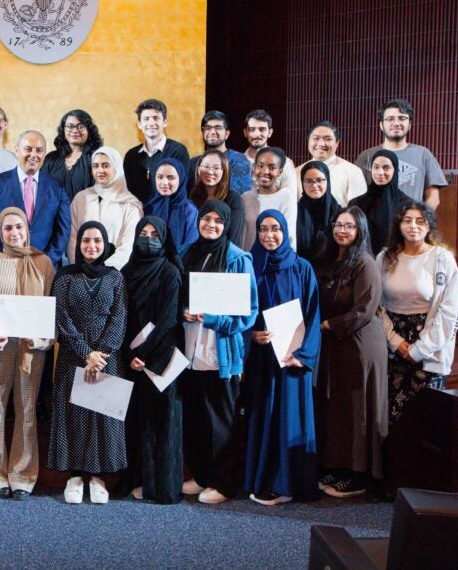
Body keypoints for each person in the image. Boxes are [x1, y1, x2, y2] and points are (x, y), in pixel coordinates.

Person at [0, 207, 56, 499]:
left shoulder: (43, 264)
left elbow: (53, 311)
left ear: (27, 228)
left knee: (28, 409)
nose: (14, 232)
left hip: (32, 351)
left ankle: (23, 476)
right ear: (0, 232)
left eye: (19, 227)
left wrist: (43, 340)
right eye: (8, 228)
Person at [180, 200, 258, 505]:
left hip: (220, 351)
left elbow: (248, 313)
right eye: (205, 219)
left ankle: (223, 482)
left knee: (220, 422)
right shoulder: (188, 252)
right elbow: (178, 294)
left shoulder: (239, 258)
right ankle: (201, 475)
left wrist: (210, 317)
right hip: (189, 349)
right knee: (196, 418)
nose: (210, 225)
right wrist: (182, 312)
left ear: (227, 225)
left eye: (217, 221)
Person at [243, 209, 321, 506]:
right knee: (263, 416)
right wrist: (252, 334)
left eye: (275, 229)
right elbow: (243, 310)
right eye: (263, 229)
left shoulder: (302, 268)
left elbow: (314, 314)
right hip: (262, 359)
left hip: (292, 361)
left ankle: (288, 485)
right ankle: (262, 480)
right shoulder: (253, 265)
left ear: (285, 231)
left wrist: (304, 355)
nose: (269, 235)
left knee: (290, 418)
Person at [48, 222, 127, 505]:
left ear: (105, 244)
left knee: (101, 418)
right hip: (73, 356)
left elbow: (119, 317)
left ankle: (97, 478)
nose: (91, 246)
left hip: (107, 359)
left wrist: (101, 354)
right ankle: (75, 476)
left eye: (97, 241)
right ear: (78, 244)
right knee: (75, 417)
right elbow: (61, 318)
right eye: (86, 241)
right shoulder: (65, 276)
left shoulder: (115, 277)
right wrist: (86, 353)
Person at [316, 207, 388, 499]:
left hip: (360, 345)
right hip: (336, 343)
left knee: (358, 410)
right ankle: (339, 466)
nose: (342, 230)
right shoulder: (332, 259)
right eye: (339, 225)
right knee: (339, 409)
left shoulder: (365, 263)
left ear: (360, 231)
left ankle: (358, 476)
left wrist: (329, 324)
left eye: (350, 226)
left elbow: (365, 309)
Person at [378, 201, 458, 426]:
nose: (413, 226)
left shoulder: (442, 258)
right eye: (407, 221)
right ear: (399, 225)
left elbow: (450, 309)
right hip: (392, 346)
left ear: (429, 227)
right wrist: (395, 342)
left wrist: (420, 349)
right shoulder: (385, 257)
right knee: (392, 420)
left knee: (427, 422)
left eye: (420, 221)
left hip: (430, 346)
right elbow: (376, 305)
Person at [118, 216, 183, 504]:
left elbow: (169, 319)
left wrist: (143, 355)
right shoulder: (125, 272)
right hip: (130, 360)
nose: (147, 238)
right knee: (133, 422)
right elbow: (119, 315)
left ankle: (160, 487)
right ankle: (135, 480)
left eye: (154, 233)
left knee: (160, 423)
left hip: (160, 359)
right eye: (142, 233)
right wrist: (129, 355)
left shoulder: (170, 272)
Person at [0, 130, 71, 269]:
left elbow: (63, 231)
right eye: (28, 149)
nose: (33, 155)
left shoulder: (57, 187)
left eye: (39, 150)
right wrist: (9, 257)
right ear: (17, 150)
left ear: (44, 154)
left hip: (45, 268)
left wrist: (45, 261)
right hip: (4, 266)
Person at [355, 98, 447, 209]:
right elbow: (357, 195)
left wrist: (419, 219)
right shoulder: (366, 156)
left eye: (402, 118)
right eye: (390, 119)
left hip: (410, 223)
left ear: (410, 125)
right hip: (374, 224)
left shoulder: (423, 154)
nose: (396, 123)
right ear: (381, 125)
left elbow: (433, 197)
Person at [67, 147, 143, 269]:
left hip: (115, 273)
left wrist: (104, 272)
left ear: (116, 168)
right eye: (95, 166)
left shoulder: (130, 205)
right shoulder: (81, 199)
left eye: (106, 165)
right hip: (81, 271)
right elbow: (72, 239)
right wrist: (80, 269)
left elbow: (129, 246)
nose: (100, 170)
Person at [123, 98, 191, 204]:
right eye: (146, 119)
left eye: (156, 118)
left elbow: (180, 189)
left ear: (165, 122)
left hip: (168, 212)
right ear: (139, 124)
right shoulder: (131, 156)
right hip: (138, 214)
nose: (151, 123)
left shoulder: (178, 151)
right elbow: (129, 191)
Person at [352, 149, 414, 255]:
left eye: (386, 168)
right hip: (364, 262)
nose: (380, 172)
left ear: (395, 170)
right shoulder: (357, 204)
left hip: (397, 260)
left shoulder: (407, 205)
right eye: (376, 167)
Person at [297, 121, 367, 206]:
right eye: (316, 138)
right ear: (308, 141)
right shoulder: (296, 172)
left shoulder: (352, 172)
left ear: (337, 143)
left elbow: (357, 211)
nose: (321, 143)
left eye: (328, 139)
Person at [240, 147, 297, 250]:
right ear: (254, 168)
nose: (265, 171)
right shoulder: (245, 197)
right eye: (260, 166)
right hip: (249, 260)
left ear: (280, 172)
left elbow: (289, 236)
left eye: (272, 168)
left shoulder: (286, 197)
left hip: (275, 261)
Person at [42, 109, 104, 202]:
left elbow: (103, 195)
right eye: (70, 126)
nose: (75, 130)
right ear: (63, 130)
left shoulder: (97, 158)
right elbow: (41, 192)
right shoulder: (51, 158)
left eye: (81, 126)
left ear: (89, 130)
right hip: (55, 215)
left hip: (87, 215)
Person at [188, 150, 246, 248]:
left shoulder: (233, 199)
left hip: (221, 256)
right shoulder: (191, 196)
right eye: (205, 166)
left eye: (216, 168)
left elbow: (234, 239)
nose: (210, 172)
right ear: (198, 169)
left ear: (224, 171)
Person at [186, 111, 252, 196]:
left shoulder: (238, 160)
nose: (212, 132)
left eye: (218, 128)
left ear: (227, 134)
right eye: (208, 128)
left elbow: (238, 196)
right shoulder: (194, 162)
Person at [144, 158, 199, 258]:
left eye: (171, 178)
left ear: (181, 179)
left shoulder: (189, 210)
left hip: (180, 266)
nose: (164, 182)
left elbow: (191, 245)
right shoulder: (149, 207)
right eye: (160, 177)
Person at [295, 162, 342, 266]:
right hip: (302, 271)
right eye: (308, 181)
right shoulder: (295, 211)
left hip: (332, 274)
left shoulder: (339, 213)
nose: (314, 185)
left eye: (319, 180)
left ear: (327, 181)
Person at [243, 110, 297, 193]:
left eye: (262, 129)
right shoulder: (236, 161)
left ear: (270, 132)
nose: (257, 134)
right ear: (245, 132)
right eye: (252, 129)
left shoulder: (285, 162)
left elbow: (290, 195)